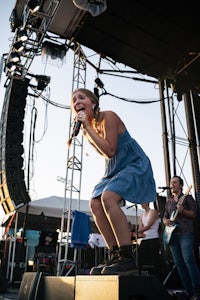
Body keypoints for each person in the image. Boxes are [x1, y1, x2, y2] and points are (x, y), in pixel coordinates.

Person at [70, 88, 156, 275]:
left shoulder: (109, 116)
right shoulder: (88, 130)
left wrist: (89, 128)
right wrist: (87, 129)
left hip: (133, 163)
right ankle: (115, 254)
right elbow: (106, 156)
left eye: (81, 97)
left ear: (93, 103)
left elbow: (110, 150)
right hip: (114, 168)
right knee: (95, 203)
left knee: (108, 198)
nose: (77, 101)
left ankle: (127, 257)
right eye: (74, 100)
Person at [163, 176, 200, 300]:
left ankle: (197, 290)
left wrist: (183, 211)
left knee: (188, 260)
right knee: (179, 264)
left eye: (174, 182)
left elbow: (194, 214)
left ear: (180, 185)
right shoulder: (168, 201)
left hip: (185, 233)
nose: (172, 184)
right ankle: (188, 291)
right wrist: (165, 221)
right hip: (173, 236)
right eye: (171, 182)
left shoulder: (188, 198)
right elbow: (165, 217)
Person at [137, 202, 161, 278]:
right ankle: (140, 274)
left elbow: (148, 226)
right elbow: (140, 228)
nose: (141, 204)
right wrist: (139, 232)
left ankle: (158, 277)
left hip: (153, 238)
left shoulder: (153, 212)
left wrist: (138, 231)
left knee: (155, 260)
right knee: (139, 257)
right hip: (145, 239)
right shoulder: (141, 216)